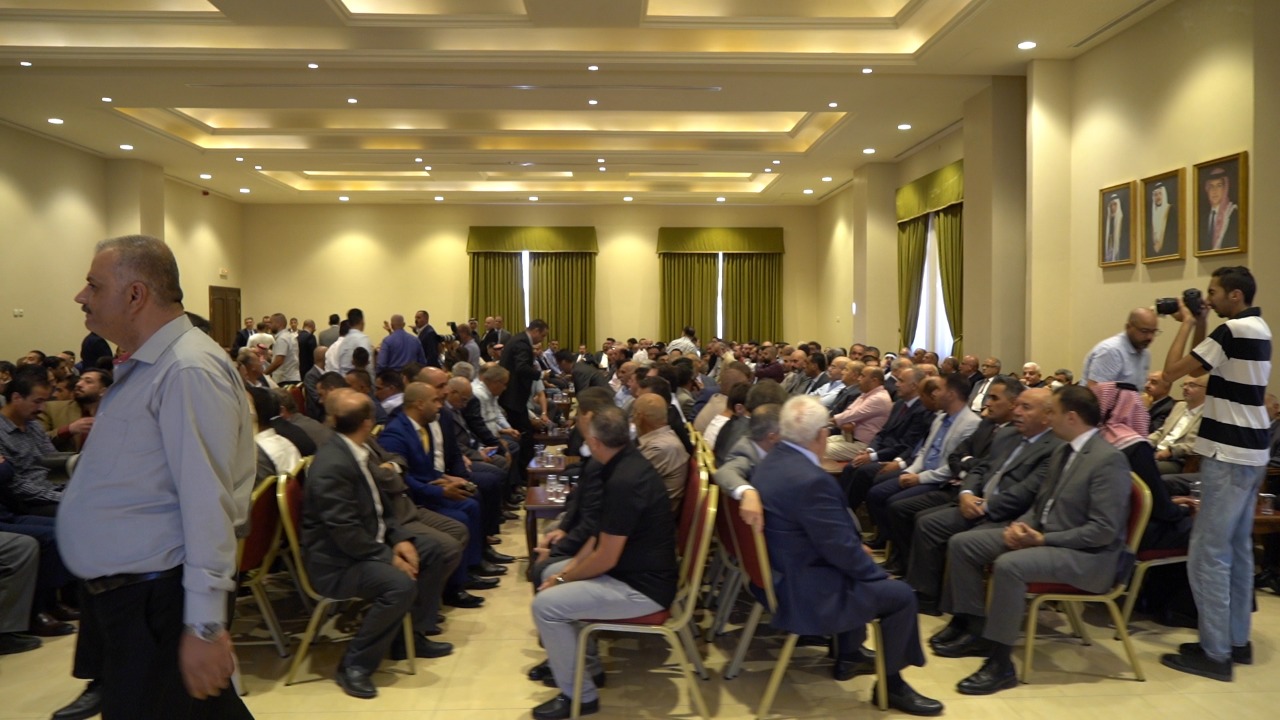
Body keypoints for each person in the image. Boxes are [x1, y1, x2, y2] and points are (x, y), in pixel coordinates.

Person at [59, 235, 254, 718]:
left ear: (135, 294)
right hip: (136, 601)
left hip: (159, 602)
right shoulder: (152, 364)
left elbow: (207, 501)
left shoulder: (187, 369)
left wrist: (204, 625)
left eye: (93, 285)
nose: (81, 296)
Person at [932, 386, 1131, 696]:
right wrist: (1021, 527)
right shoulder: (1064, 450)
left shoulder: (1108, 460)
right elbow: (1041, 505)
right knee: (963, 544)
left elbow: (1103, 530)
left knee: (1010, 566)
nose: (1048, 418)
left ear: (1071, 417)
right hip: (1046, 537)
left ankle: (1000, 664)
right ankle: (972, 626)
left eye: (1052, 412)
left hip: (1088, 556)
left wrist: (1042, 538)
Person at [753, 396, 942, 716]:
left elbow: (826, 539)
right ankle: (892, 686)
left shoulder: (770, 462)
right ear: (821, 435)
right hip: (804, 592)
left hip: (777, 575)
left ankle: (850, 654)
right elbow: (840, 549)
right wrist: (876, 572)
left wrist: (852, 551)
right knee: (899, 595)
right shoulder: (812, 480)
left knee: (851, 565)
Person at [301, 389, 453, 699]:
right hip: (336, 563)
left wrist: (400, 539)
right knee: (398, 585)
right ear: (368, 423)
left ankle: (408, 637)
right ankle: (354, 665)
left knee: (431, 551)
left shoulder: (356, 450)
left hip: (363, 547)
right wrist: (388, 555)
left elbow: (381, 507)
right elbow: (345, 532)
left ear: (333, 420)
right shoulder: (333, 464)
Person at [1159, 266, 1271, 681]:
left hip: (1227, 451)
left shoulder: (1233, 331)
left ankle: (1214, 652)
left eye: (1214, 292)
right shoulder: (1258, 328)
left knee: (1209, 553)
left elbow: (1175, 371)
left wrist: (1187, 323)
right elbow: (1204, 367)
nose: (1209, 298)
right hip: (1252, 451)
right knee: (1238, 550)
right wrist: (1202, 322)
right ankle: (1237, 641)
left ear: (1235, 295)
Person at [529, 405, 677, 720]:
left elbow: (606, 557)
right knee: (552, 570)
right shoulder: (623, 463)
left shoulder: (625, 480)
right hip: (630, 571)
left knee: (546, 606)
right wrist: (566, 572)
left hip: (643, 589)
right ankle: (590, 668)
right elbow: (597, 538)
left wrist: (562, 581)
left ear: (595, 443)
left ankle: (580, 697)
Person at [905, 387, 1060, 612]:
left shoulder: (1055, 448)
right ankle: (927, 596)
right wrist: (967, 494)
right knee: (927, 523)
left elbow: (1027, 492)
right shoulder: (1008, 435)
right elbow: (981, 468)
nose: (1017, 411)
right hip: (978, 502)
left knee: (961, 542)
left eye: (1026, 407)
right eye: (1017, 405)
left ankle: (967, 617)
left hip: (1010, 515)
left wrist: (985, 506)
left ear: (1047, 416)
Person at [1080, 308, 1158, 388]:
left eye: (1153, 332)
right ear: (1128, 327)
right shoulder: (1111, 351)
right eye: (1144, 331)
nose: (1150, 337)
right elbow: (1095, 390)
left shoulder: (1145, 353)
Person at [1149, 376, 1206, 475]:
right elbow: (1162, 431)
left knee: (1143, 467)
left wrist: (1170, 451)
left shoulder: (1209, 414)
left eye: (1192, 385)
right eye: (1184, 384)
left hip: (1177, 459)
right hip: (1156, 451)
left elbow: (1196, 445)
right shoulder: (1179, 406)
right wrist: (1145, 443)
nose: (1185, 388)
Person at [1200, 166, 1239, 252]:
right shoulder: (1203, 218)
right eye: (1211, 186)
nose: (1214, 191)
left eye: (1219, 186)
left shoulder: (1232, 213)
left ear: (1225, 189)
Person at [1147, 181, 1176, 257]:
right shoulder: (1150, 213)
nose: (1158, 197)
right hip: (1153, 254)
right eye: (1155, 195)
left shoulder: (1170, 210)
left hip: (1168, 252)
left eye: (1160, 194)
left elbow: (1173, 234)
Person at [1102, 192, 1129, 263]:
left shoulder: (1123, 220)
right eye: (1111, 205)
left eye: (1114, 204)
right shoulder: (1108, 221)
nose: (1112, 207)